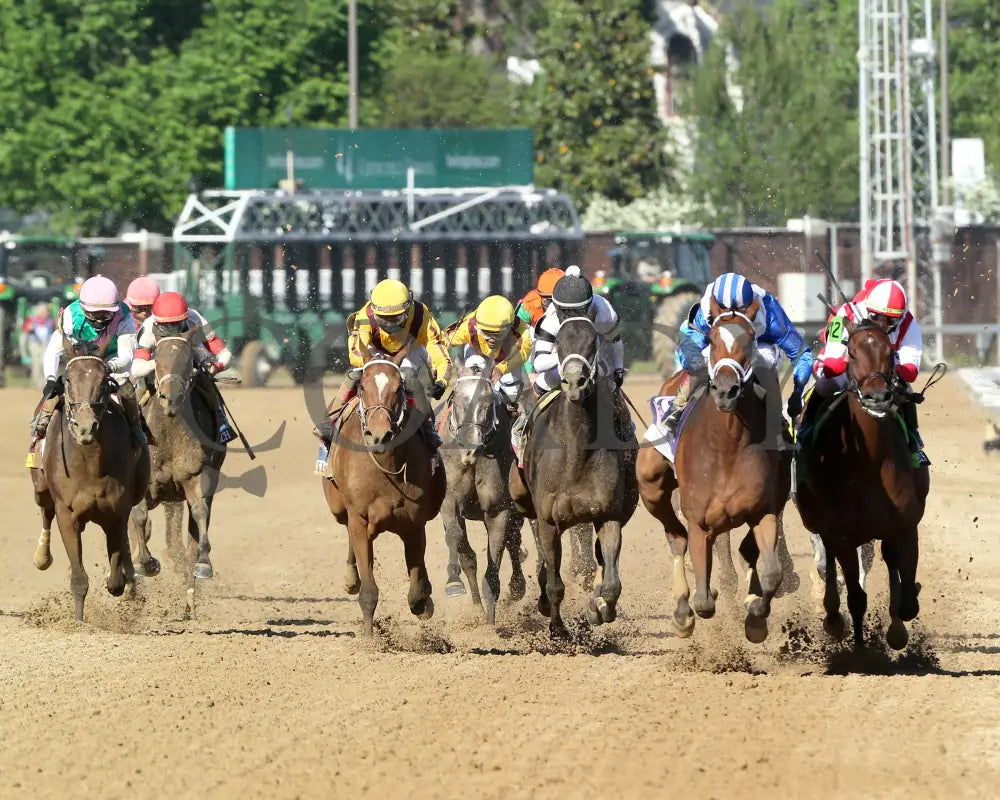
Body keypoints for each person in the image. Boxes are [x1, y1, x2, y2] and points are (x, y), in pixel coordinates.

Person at [314, 279, 454, 459]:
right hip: (375, 352)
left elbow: (438, 351)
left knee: (411, 378)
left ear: (408, 307)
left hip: (410, 349)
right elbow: (356, 351)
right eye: (383, 320)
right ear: (374, 310)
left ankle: (428, 429)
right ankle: (329, 424)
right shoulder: (365, 315)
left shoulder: (421, 315)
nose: (390, 325)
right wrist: (382, 362)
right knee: (352, 376)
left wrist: (442, 380)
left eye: (395, 318)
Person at [662, 272, 814, 433]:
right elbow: (688, 346)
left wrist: (797, 392)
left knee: (766, 359)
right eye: (725, 311)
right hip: (716, 341)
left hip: (758, 344)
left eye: (740, 311)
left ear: (750, 305)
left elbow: (801, 353)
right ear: (716, 306)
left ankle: (774, 413)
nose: (733, 317)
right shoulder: (704, 311)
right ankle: (677, 407)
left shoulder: (769, 312)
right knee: (700, 361)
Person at [803, 277, 928, 465]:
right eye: (876, 317)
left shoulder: (908, 323)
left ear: (900, 316)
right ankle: (804, 431)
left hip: (884, 372)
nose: (882, 324)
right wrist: (858, 360)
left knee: (905, 387)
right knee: (826, 384)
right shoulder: (846, 314)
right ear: (868, 309)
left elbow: (910, 370)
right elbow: (831, 364)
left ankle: (913, 441)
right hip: (848, 367)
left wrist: (886, 364)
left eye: (890, 319)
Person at [511, 273, 630, 464]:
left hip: (594, 358)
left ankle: (626, 436)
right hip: (559, 362)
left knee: (611, 390)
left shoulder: (605, 312)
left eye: (580, 310)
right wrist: (566, 361)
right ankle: (524, 429)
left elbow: (616, 344)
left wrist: (617, 371)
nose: (573, 316)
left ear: (589, 305)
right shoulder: (549, 319)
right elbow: (539, 362)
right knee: (539, 386)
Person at [31, 275, 146, 447]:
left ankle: (136, 429)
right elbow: (54, 350)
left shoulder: (124, 317)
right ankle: (39, 432)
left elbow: (127, 358)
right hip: (79, 360)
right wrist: (51, 379)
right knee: (53, 394)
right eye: (94, 313)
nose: (100, 319)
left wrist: (106, 367)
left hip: (111, 361)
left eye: (106, 314)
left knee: (127, 390)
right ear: (83, 308)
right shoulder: (70, 315)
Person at [130, 291, 237, 444]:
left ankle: (221, 424)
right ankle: (134, 430)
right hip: (160, 366)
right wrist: (163, 363)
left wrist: (216, 367)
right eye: (165, 326)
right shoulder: (148, 328)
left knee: (208, 384)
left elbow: (225, 354)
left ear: (186, 318)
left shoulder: (196, 319)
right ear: (156, 322)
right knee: (136, 389)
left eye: (176, 324)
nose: (171, 328)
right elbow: (136, 368)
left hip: (192, 358)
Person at [449, 295, 532, 413]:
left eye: (498, 334)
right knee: (473, 385)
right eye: (486, 333)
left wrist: (502, 368)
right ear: (477, 326)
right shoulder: (467, 326)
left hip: (507, 358)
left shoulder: (521, 329)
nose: (492, 339)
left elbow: (523, 352)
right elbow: (442, 341)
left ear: (510, 326)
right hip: (478, 353)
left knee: (512, 392)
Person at [21, 303, 55, 389]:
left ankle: (44, 383)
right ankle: (35, 383)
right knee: (36, 364)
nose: (45, 314)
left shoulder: (50, 321)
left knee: (44, 363)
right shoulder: (32, 319)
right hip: (35, 344)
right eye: (43, 312)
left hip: (46, 344)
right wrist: (29, 328)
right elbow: (24, 330)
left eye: (46, 312)